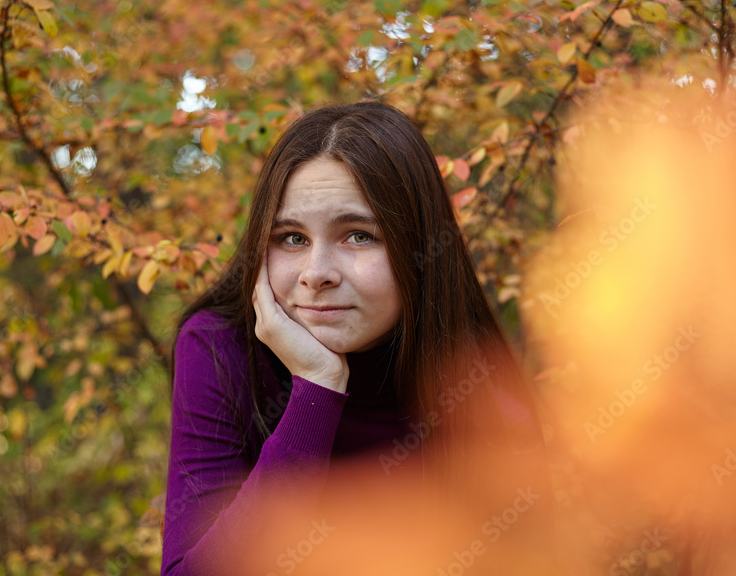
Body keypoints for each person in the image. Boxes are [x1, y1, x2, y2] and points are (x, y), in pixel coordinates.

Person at [160, 101, 547, 576]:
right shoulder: (220, 349)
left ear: (418, 246)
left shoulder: (478, 388)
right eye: (291, 238)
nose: (316, 273)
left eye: (359, 235)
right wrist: (316, 392)